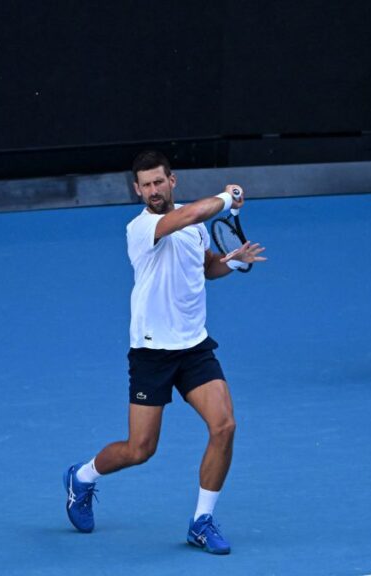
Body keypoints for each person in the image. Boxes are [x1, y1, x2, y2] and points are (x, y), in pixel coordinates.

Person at [62, 150, 265, 555]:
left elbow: (205, 266)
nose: (153, 190)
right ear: (137, 190)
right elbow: (189, 216)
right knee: (141, 450)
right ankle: (81, 478)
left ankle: (201, 521)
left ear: (173, 181)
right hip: (152, 353)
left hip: (194, 347)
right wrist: (228, 197)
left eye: (159, 181)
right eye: (146, 185)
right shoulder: (142, 228)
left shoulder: (195, 229)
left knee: (224, 426)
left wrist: (233, 263)